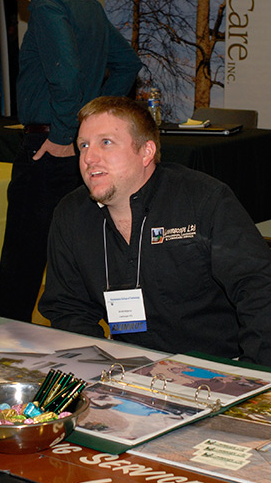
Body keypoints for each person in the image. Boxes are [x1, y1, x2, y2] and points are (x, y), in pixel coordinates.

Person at [39, 96, 271, 366]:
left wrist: (256, 375)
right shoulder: (72, 214)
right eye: (83, 145)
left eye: (106, 143)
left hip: (216, 369)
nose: (89, 158)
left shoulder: (204, 200)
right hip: (129, 371)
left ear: (146, 152)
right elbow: (67, 308)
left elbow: (259, 289)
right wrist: (99, 370)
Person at [0, 0, 142, 323]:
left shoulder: (46, 5)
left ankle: (3, 349)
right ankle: (120, 335)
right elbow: (127, 63)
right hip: (77, 150)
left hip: (49, 147)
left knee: (22, 261)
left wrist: (62, 134)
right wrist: (96, 123)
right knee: (87, 252)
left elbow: (66, 74)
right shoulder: (86, 5)